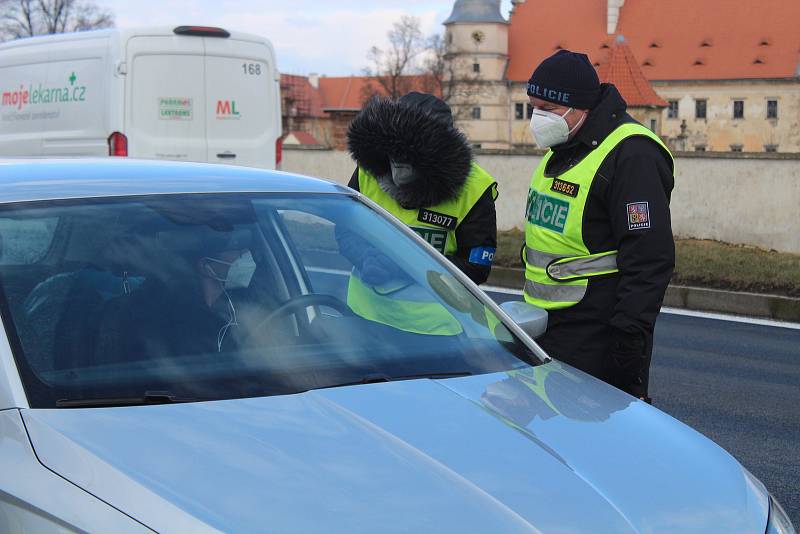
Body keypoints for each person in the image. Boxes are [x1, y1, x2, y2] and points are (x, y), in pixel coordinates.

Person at [522, 50, 675, 402]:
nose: (537, 118)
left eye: (548, 109)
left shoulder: (632, 154)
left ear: (581, 108)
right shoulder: (565, 145)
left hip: (598, 335)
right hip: (545, 326)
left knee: (597, 444)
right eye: (533, 107)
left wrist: (628, 341)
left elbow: (649, 257)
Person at [344, 92, 499, 286]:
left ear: (439, 152)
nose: (400, 161)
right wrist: (364, 259)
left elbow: (477, 266)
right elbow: (345, 228)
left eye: (412, 153)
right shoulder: (368, 169)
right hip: (363, 312)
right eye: (395, 149)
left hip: (439, 315)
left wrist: (405, 268)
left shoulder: (475, 187)